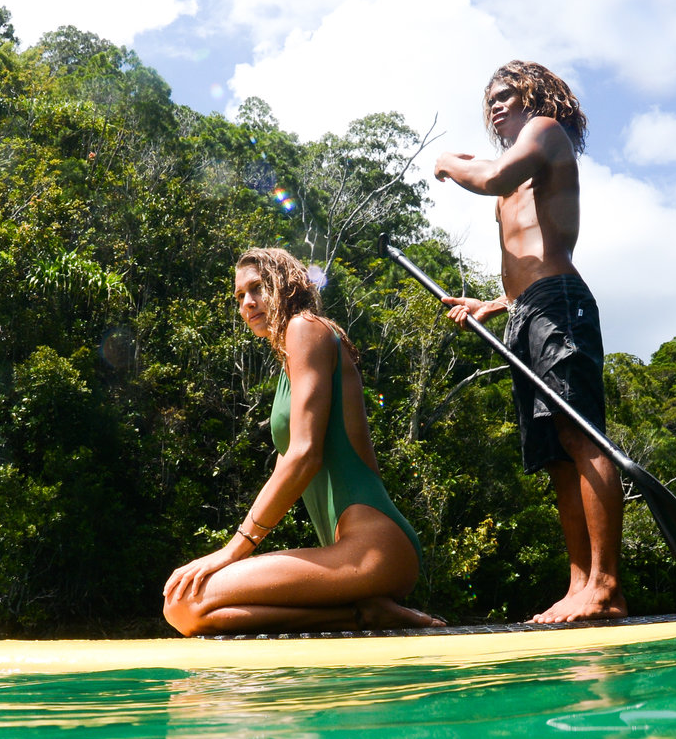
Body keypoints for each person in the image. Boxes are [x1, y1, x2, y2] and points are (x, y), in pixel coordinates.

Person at [432, 61, 625, 623]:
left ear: (536, 96)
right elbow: (522, 253)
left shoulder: (544, 132)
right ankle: (579, 584)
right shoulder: (512, 165)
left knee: (579, 435)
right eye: (491, 99)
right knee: (555, 456)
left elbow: (492, 178)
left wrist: (449, 162)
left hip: (560, 303)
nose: (497, 105)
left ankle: (608, 585)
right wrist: (491, 306)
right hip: (526, 313)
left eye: (508, 95)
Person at [163, 248, 442, 636]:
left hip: (374, 547)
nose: (247, 303)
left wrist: (232, 551)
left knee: (185, 602)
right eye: (239, 296)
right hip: (349, 554)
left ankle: (365, 611)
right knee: (185, 610)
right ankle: (366, 613)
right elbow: (287, 465)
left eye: (257, 288)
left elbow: (304, 456)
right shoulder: (288, 358)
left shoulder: (305, 328)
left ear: (285, 283)